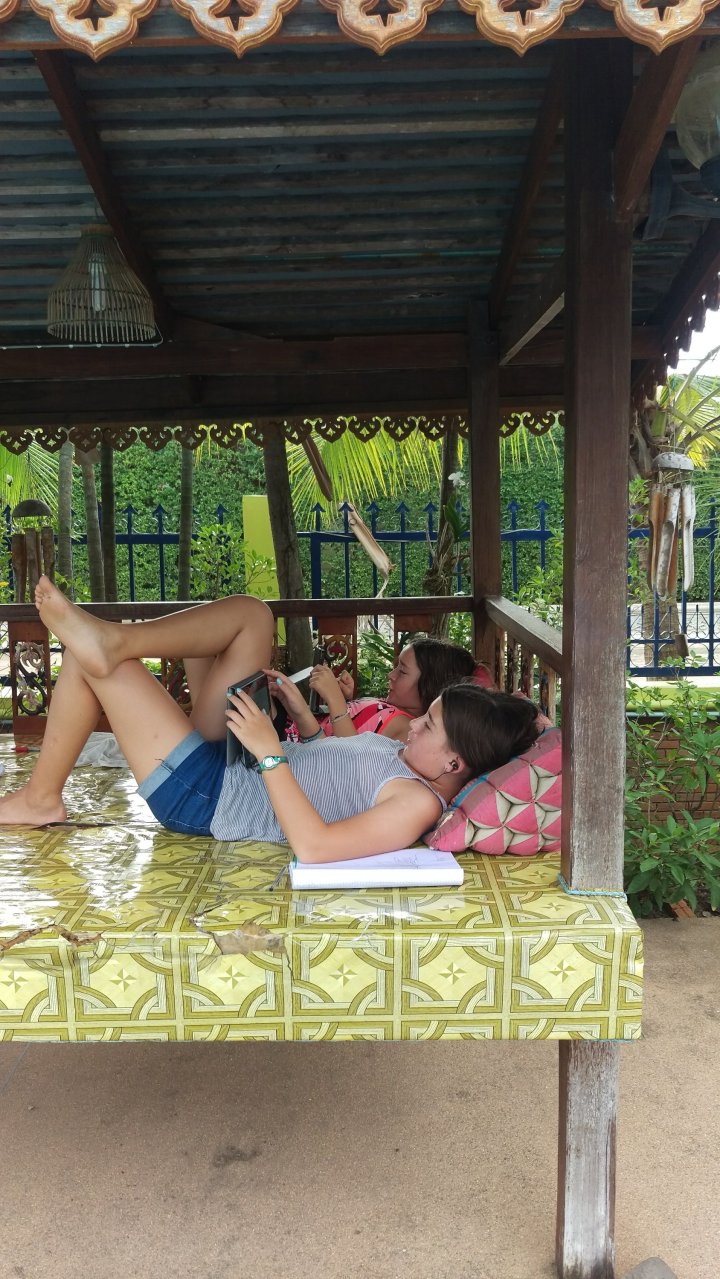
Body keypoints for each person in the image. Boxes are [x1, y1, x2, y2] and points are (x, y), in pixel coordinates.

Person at [0, 580, 539, 863]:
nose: (414, 724)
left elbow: (316, 847)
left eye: (429, 726)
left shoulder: (417, 805)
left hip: (209, 797)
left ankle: (41, 798)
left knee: (85, 662)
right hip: (236, 762)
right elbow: (337, 771)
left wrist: (270, 752)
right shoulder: (408, 763)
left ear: (454, 762)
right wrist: (297, 717)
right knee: (251, 615)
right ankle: (118, 639)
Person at [287, 636, 478, 743]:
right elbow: (362, 729)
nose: (391, 675)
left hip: (295, 743)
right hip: (296, 732)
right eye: (396, 667)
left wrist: (335, 700)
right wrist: (347, 700)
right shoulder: (396, 707)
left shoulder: (407, 728)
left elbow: (349, 755)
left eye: (402, 671)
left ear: (429, 686)